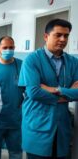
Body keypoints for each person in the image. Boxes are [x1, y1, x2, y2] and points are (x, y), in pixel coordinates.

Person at [18, 19, 78, 158]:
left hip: (62, 127)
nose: (63, 39)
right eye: (58, 35)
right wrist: (68, 93)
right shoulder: (32, 60)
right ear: (46, 36)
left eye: (66, 35)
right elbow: (34, 92)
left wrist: (57, 90)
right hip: (37, 125)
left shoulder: (73, 62)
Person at [0, 36, 24, 159]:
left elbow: (28, 89)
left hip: (15, 118)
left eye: (11, 47)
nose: (8, 50)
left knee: (16, 152)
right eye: (5, 48)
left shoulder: (21, 65)